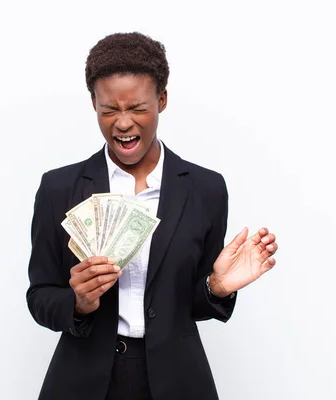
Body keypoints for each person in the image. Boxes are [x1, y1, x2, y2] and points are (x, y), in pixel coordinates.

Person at [26, 32, 278, 400]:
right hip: (83, 381)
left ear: (161, 100)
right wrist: (78, 302)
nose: (123, 123)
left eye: (137, 108)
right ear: (93, 104)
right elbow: (40, 296)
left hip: (176, 380)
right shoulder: (58, 189)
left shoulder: (206, 190)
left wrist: (216, 287)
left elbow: (191, 305)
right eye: (109, 110)